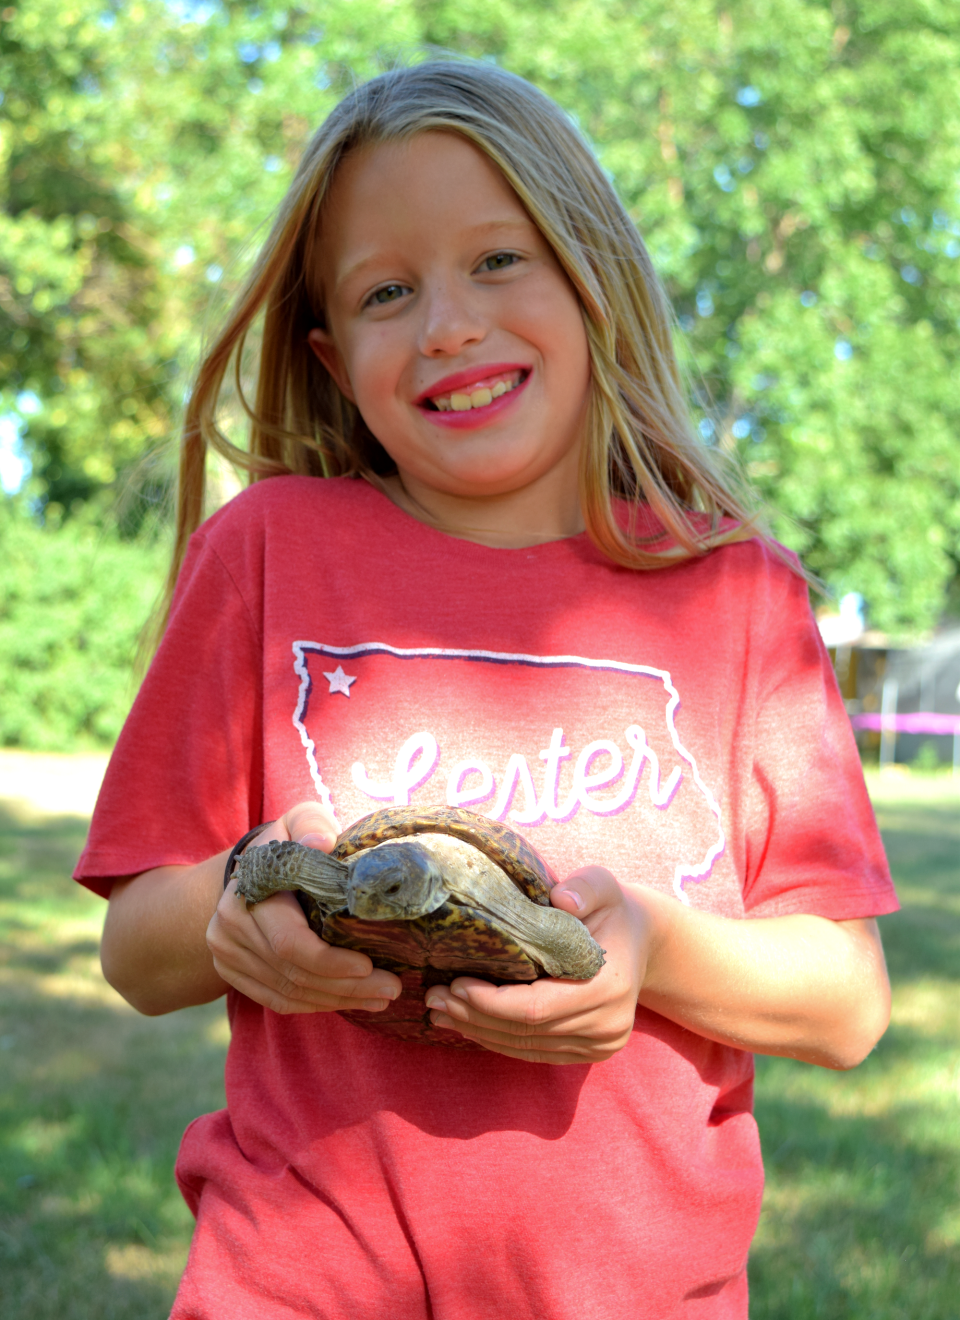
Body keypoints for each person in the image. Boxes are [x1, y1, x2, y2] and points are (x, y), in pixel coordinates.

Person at [75, 59, 896, 1319]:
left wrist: (649, 949)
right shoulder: (267, 552)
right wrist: (244, 903)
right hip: (291, 1278)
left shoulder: (735, 591)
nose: (447, 322)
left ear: (592, 277)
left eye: (498, 261)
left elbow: (845, 1006)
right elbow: (136, 950)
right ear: (333, 358)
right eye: (386, 291)